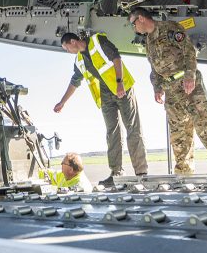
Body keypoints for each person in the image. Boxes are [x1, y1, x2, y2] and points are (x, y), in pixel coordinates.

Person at [130, 7, 207, 175]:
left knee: (206, 126)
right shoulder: (149, 41)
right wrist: (157, 88)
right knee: (179, 135)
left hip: (188, 86)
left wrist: (189, 75)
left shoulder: (169, 28)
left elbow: (188, 50)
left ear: (141, 18)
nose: (133, 28)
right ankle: (184, 174)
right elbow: (154, 67)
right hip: (170, 90)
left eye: (133, 23)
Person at [54, 32, 147, 186]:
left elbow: (116, 58)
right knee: (112, 133)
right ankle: (116, 172)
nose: (67, 51)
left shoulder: (98, 42)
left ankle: (141, 172)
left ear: (72, 41)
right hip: (106, 94)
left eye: (66, 48)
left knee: (133, 129)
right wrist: (62, 102)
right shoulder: (79, 60)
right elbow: (75, 82)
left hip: (122, 88)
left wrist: (119, 82)